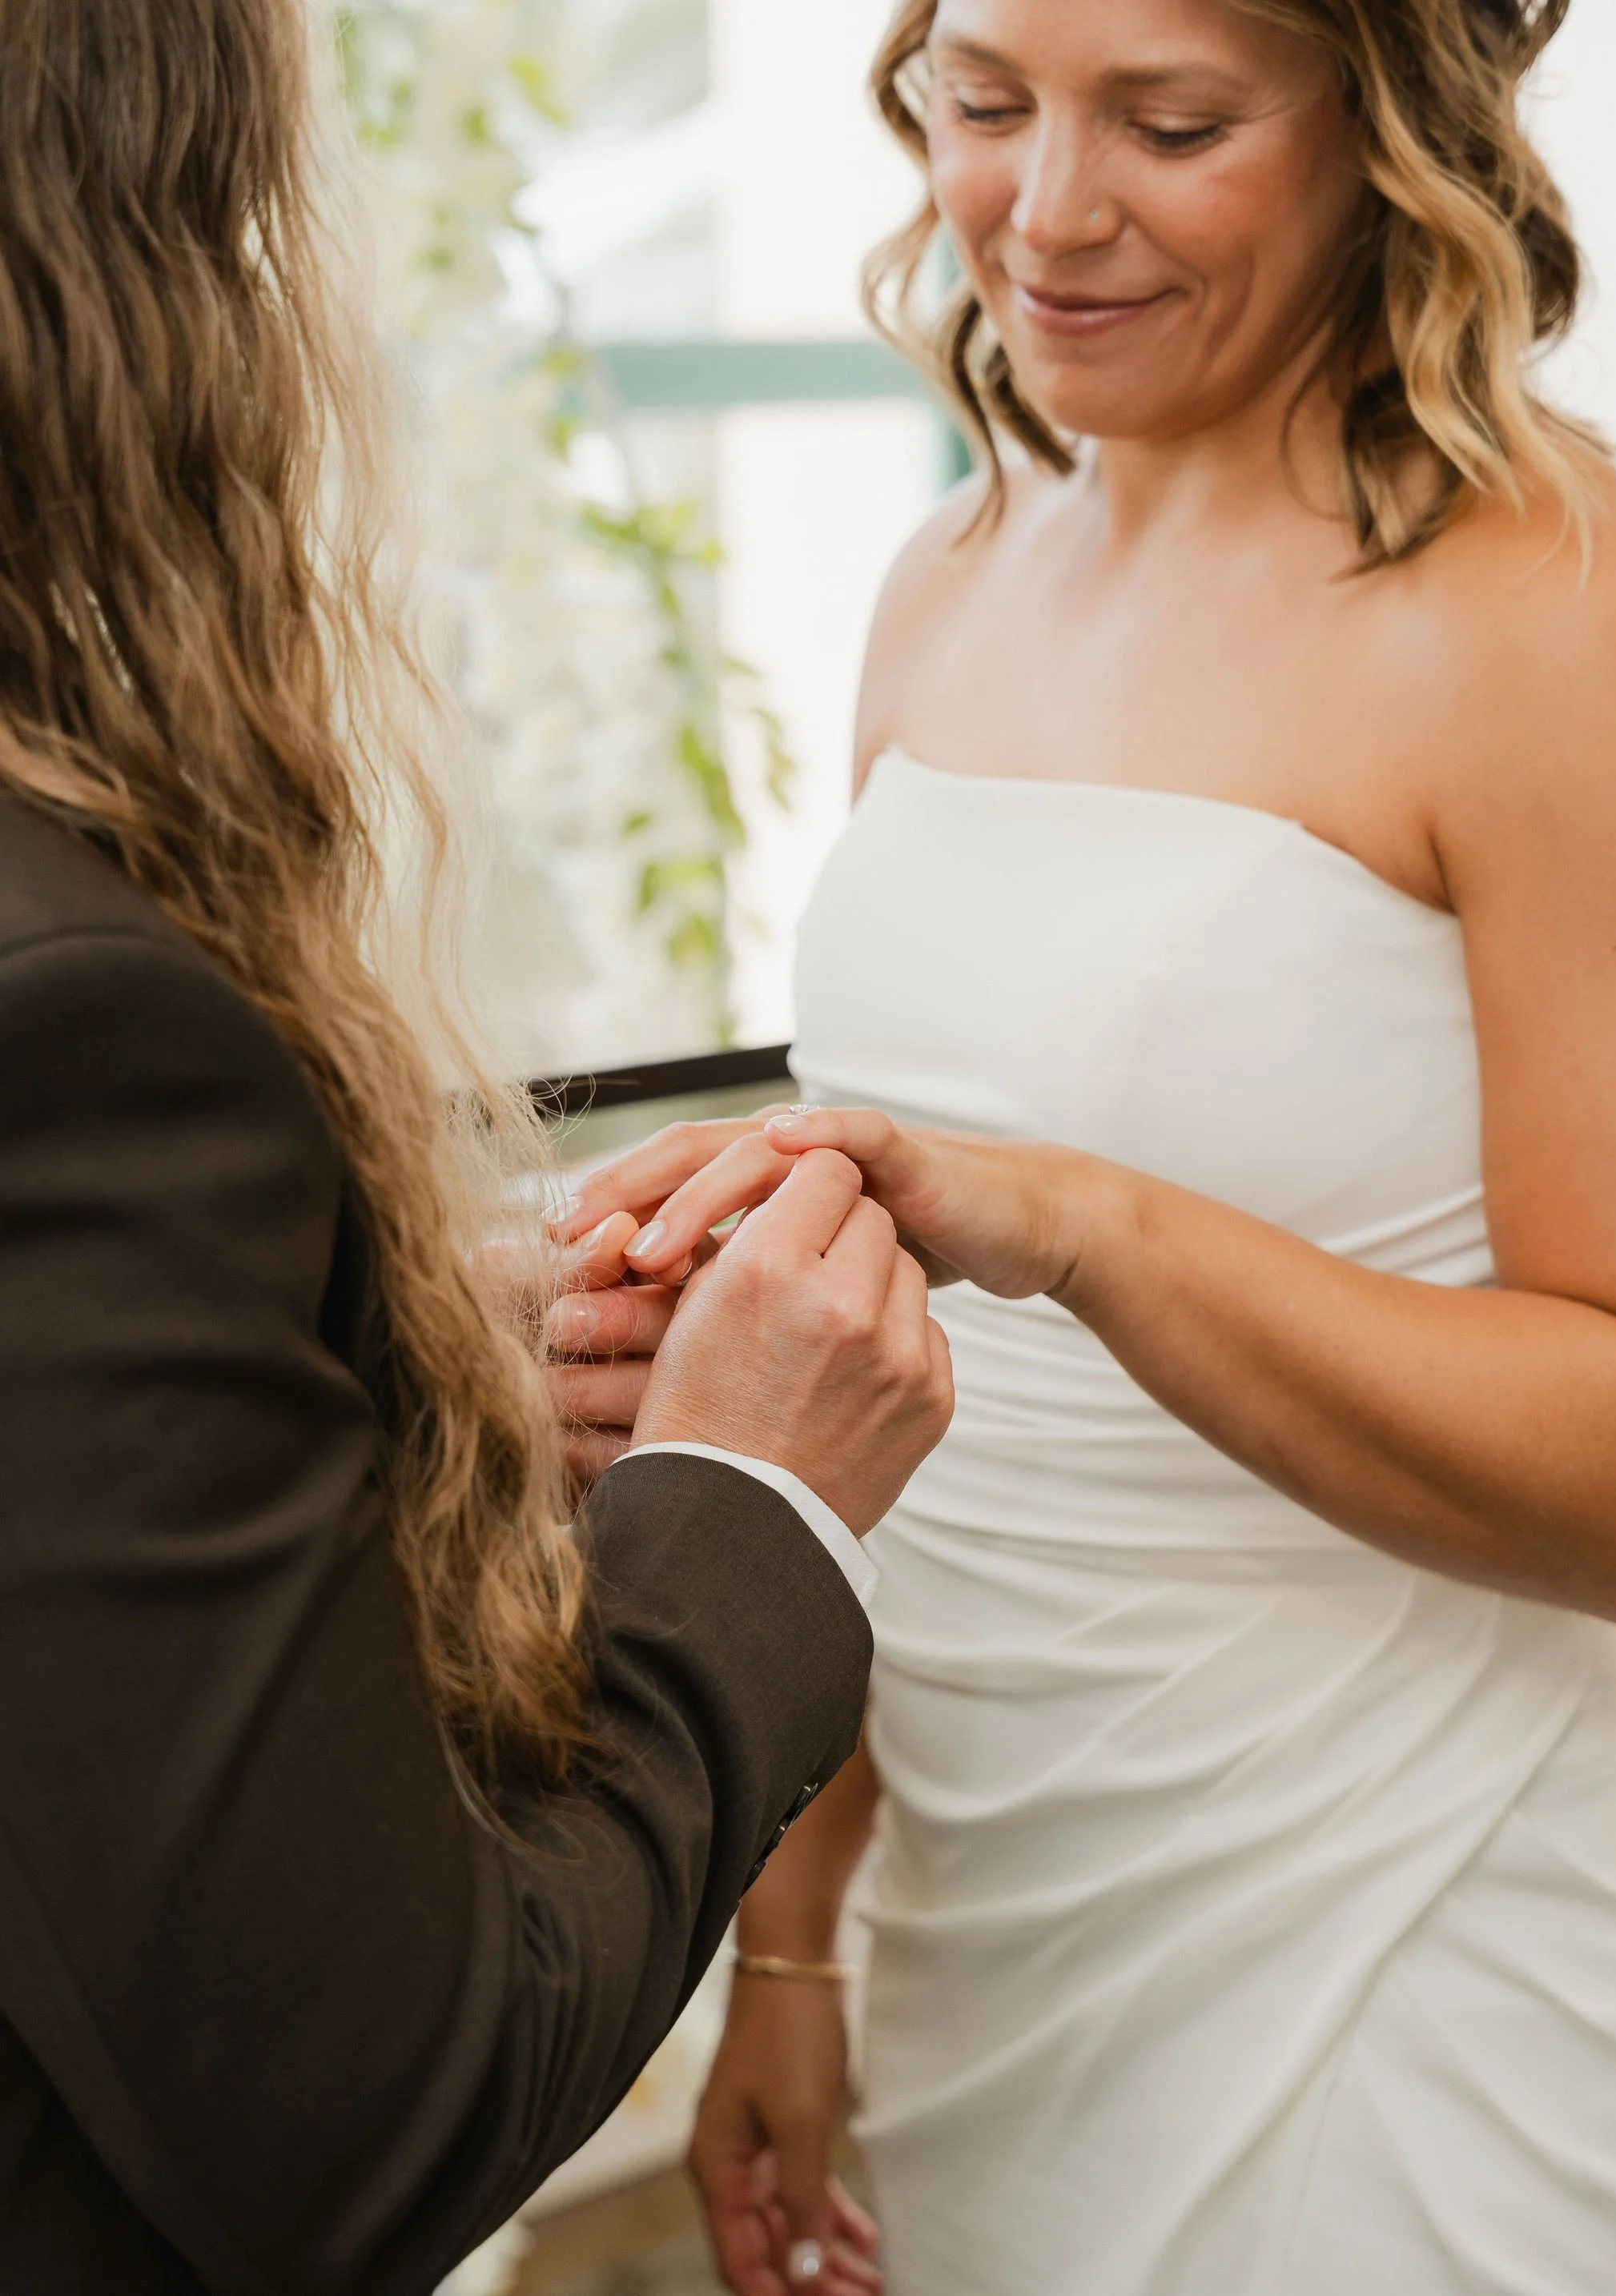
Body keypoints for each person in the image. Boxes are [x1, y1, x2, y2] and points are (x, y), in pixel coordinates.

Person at [563, 0, 1616, 2288]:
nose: (1045, 215)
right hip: (990, 1937)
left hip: (1411, 1946)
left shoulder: (1548, 604)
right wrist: (793, 1944)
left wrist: (1092, 1227)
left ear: (1388, 130)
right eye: (982, 103)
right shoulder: (945, 578)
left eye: (1170, 122)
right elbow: (877, 1388)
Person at [0, 5, 957, 2291]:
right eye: (978, 104)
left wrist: (375, 1379)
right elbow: (365, 2106)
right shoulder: (82, 1034)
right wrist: (747, 1502)